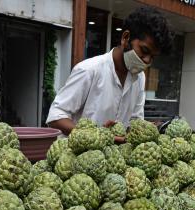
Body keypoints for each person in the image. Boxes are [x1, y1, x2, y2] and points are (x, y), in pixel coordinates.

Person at [46, 6, 174, 139]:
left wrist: (145, 129)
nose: (147, 60)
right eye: (144, 50)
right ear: (126, 38)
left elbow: (134, 121)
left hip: (115, 158)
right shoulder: (89, 70)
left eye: (152, 57)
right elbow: (56, 116)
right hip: (78, 157)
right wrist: (96, 136)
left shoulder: (139, 78)